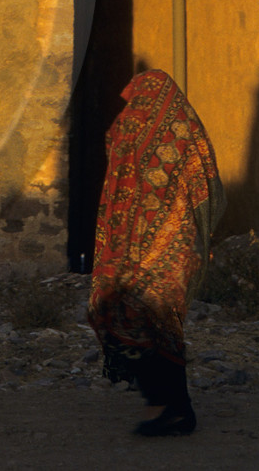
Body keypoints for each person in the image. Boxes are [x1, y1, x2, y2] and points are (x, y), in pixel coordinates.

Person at [88, 69, 225, 437]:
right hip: (174, 244)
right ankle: (167, 406)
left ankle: (173, 408)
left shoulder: (127, 126)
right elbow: (208, 186)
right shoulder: (183, 126)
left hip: (129, 244)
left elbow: (116, 168)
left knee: (144, 319)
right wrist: (200, 233)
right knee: (161, 322)